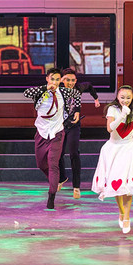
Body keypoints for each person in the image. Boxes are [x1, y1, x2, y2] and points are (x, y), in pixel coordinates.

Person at [91, 86, 133, 233]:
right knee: (116, 185)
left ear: (132, 98)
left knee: (128, 186)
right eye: (122, 97)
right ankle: (121, 212)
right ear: (118, 97)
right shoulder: (112, 109)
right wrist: (122, 115)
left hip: (129, 149)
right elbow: (110, 128)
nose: (125, 100)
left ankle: (127, 217)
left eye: (128, 98)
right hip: (113, 149)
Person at [23, 68, 81, 210]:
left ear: (60, 81)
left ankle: (51, 196)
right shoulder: (40, 91)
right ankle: (54, 180)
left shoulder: (64, 92)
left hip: (57, 133)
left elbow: (77, 94)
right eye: (52, 79)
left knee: (53, 163)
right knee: (41, 164)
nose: (54, 82)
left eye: (57, 79)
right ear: (47, 79)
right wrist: (45, 88)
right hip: (42, 133)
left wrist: (77, 110)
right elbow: (26, 93)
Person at [59, 68, 100, 199]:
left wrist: (96, 98)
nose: (70, 83)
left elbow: (89, 85)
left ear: (76, 80)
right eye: (67, 80)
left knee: (74, 153)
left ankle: (76, 186)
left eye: (72, 80)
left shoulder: (78, 88)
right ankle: (62, 178)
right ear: (62, 80)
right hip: (59, 126)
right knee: (58, 153)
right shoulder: (58, 90)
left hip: (74, 125)